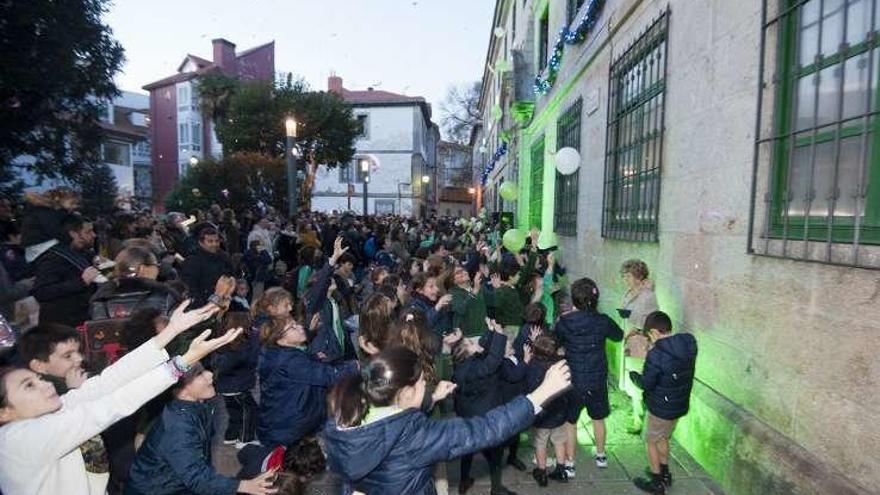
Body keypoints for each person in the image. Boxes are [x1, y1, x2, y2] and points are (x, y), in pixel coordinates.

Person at [0, 301, 234, 495]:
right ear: (4, 412)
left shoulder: (51, 411)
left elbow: (109, 381)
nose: (44, 384)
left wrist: (171, 331)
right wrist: (183, 362)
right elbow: (113, 404)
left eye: (37, 379)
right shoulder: (20, 439)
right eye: (29, 386)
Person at [321, 346, 573, 495]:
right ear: (406, 392)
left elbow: (391, 423)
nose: (426, 385)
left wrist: (430, 401)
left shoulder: (345, 415)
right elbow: (485, 429)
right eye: (421, 383)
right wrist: (541, 394)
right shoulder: (414, 436)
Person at [124, 363, 276, 495]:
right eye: (199, 374)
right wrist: (244, 485)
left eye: (204, 370)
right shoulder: (178, 427)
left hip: (176, 483)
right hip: (156, 490)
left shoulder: (199, 404)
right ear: (181, 391)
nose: (210, 375)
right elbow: (195, 477)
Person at [553, 277, 623, 476]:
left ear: (574, 301)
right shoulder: (603, 320)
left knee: (571, 422)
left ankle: (570, 463)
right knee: (598, 418)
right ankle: (601, 456)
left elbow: (555, 342)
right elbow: (618, 336)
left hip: (573, 379)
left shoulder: (564, 322)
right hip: (596, 378)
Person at [629, 311, 697, 495]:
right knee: (664, 437)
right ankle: (665, 472)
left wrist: (635, 376)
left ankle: (656, 481)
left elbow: (646, 383)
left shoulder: (656, 354)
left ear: (654, 332)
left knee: (651, 440)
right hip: (678, 404)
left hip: (660, 408)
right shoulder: (689, 343)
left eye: (649, 335)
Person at [451, 320, 513, 495]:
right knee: (495, 452)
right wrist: (500, 334)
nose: (474, 342)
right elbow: (492, 361)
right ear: (467, 352)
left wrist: (491, 331)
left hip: (467, 413)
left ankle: (464, 480)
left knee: (468, 449)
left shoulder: (462, 365)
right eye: (470, 343)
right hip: (485, 415)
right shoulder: (476, 368)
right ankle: (496, 488)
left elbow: (484, 347)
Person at [31, 213, 100, 327]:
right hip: (61, 327)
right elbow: (41, 292)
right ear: (74, 234)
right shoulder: (52, 258)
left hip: (81, 319)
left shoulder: (85, 253)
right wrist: (81, 281)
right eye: (88, 232)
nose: (94, 235)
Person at [526, 335, 576, 486]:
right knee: (559, 440)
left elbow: (529, 387)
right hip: (559, 411)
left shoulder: (533, 365)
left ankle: (541, 472)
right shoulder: (560, 364)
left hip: (542, 414)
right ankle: (561, 470)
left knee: (540, 442)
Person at [618, 259, 659, 434]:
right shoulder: (631, 292)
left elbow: (651, 319)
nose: (624, 279)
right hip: (629, 339)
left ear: (638, 276)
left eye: (628, 276)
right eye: (624, 276)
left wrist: (632, 330)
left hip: (640, 342)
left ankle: (638, 419)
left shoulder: (648, 295)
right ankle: (637, 411)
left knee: (636, 377)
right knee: (630, 376)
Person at [180, 226, 234, 306]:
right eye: (210, 241)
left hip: (225, 302)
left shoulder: (224, 257)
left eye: (217, 241)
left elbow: (231, 275)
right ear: (201, 242)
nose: (214, 244)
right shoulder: (192, 261)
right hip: (204, 304)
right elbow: (190, 287)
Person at [448, 265, 488, 338]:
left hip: (485, 332)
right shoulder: (453, 293)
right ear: (453, 280)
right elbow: (461, 309)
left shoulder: (478, 287)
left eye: (464, 270)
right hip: (469, 336)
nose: (464, 272)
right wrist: (474, 291)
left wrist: (498, 287)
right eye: (458, 272)